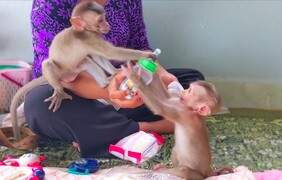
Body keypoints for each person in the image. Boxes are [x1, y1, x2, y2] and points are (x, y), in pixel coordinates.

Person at [26, 0, 205, 158]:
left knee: (192, 80)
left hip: (119, 78)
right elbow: (55, 71)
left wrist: (164, 75)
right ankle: (151, 127)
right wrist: (112, 93)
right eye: (100, 21)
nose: (106, 24)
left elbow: (140, 48)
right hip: (71, 89)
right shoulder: (49, 4)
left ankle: (104, 130)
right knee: (37, 105)